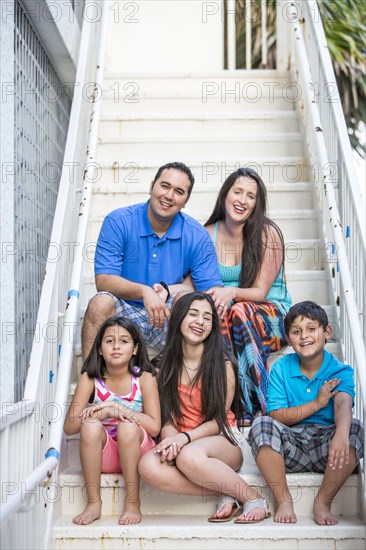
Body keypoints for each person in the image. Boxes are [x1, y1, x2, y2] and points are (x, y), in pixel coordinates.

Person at [138, 291, 271, 524]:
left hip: (222, 440)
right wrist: (171, 441)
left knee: (189, 456)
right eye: (193, 314)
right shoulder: (161, 367)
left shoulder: (223, 365)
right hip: (183, 441)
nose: (200, 321)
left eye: (207, 317)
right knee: (147, 465)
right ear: (179, 318)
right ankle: (225, 489)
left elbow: (217, 421)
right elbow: (166, 418)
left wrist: (184, 440)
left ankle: (253, 498)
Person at [82, 161, 222, 359]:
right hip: (125, 311)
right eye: (165, 186)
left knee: (189, 304)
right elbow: (103, 280)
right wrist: (144, 291)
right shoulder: (119, 221)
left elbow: (210, 291)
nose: (169, 196)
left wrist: (173, 291)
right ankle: (90, 381)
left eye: (179, 191)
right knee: (99, 303)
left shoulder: (196, 235)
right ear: (151, 187)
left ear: (186, 200)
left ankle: (181, 380)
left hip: (167, 316)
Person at [248, 301, 364, 525]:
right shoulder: (282, 368)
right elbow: (277, 415)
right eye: (296, 331)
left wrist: (341, 434)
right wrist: (317, 404)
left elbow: (343, 404)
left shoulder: (340, 370)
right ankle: (283, 500)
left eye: (312, 329)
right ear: (289, 339)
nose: (304, 336)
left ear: (327, 332)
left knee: (355, 427)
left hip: (329, 450)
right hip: (290, 448)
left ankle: (323, 502)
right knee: (261, 423)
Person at [204, 167, 292, 425]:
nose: (242, 200)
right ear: (225, 195)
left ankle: (258, 405)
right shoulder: (207, 233)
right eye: (237, 192)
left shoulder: (267, 233)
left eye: (250, 196)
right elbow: (191, 283)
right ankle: (226, 406)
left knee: (239, 311)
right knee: (217, 311)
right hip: (231, 318)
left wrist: (231, 291)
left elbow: (260, 292)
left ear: (257, 203)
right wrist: (164, 289)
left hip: (273, 317)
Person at [64, 316, 161, 526]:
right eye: (109, 341)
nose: (116, 346)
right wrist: (103, 412)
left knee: (127, 426)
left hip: (139, 453)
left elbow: (154, 427)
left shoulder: (145, 377)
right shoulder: (90, 378)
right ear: (99, 349)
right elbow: (70, 427)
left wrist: (118, 409)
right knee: (89, 426)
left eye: (124, 341)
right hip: (105, 457)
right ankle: (93, 503)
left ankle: (133, 501)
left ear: (135, 349)